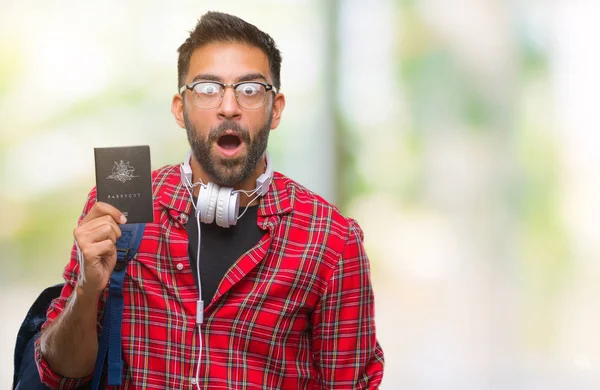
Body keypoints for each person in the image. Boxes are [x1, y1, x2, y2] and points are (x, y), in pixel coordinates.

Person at [35, 11, 385, 389]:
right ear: (179, 110)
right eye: (207, 89)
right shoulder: (118, 213)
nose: (229, 107)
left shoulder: (332, 241)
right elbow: (61, 375)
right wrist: (87, 290)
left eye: (250, 89)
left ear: (276, 109)